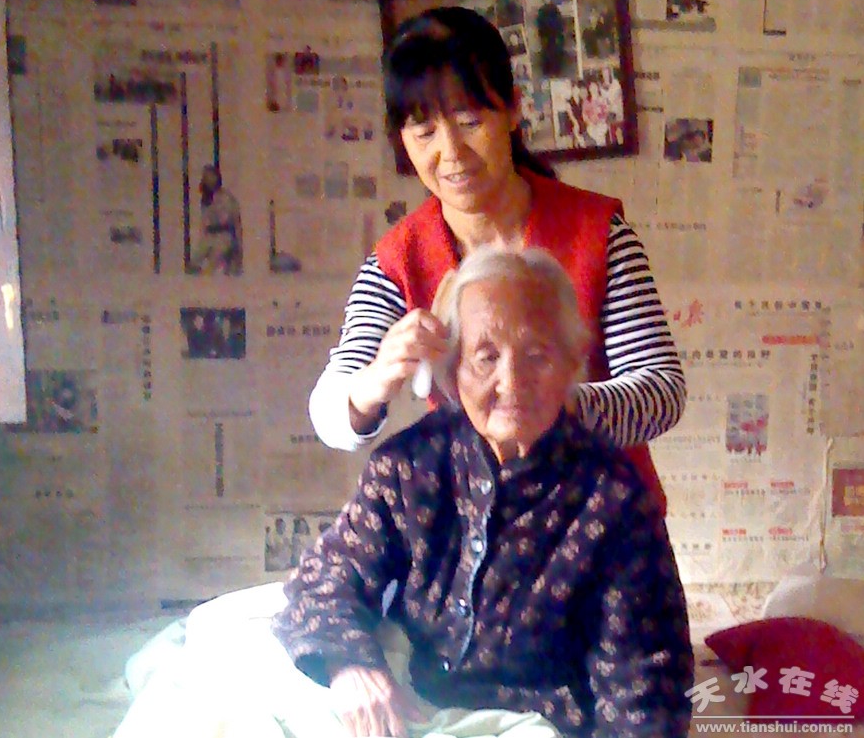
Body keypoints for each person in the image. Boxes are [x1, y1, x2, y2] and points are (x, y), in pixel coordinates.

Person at [274, 246, 694, 738]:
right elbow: (325, 577)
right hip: (413, 707)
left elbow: (645, 687)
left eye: (537, 356)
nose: (511, 383)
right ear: (453, 371)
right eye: (486, 357)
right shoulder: (409, 466)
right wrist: (350, 666)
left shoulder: (614, 501)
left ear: (571, 365)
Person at [308, 5, 685, 511]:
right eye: (424, 132)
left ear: (512, 110)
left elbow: (662, 392)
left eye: (469, 121)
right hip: (484, 530)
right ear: (402, 140)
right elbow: (331, 415)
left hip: (610, 524)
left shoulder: (600, 235)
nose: (451, 152)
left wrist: (554, 403)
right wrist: (372, 382)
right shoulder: (396, 261)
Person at [187, 164, 243, 275]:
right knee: (194, 262)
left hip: (224, 236)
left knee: (212, 264)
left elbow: (235, 221)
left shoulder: (226, 198)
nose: (208, 181)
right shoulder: (206, 200)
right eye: (206, 178)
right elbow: (204, 222)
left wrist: (237, 246)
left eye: (210, 177)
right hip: (209, 236)